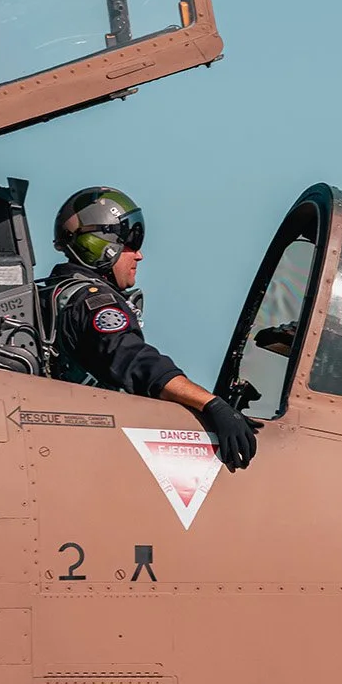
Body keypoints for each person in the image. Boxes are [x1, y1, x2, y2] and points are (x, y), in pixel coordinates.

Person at [42, 186, 258, 471]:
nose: (139, 255)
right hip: (84, 454)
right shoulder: (93, 303)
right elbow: (135, 361)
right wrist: (211, 404)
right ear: (101, 245)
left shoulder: (54, 294)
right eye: (131, 244)